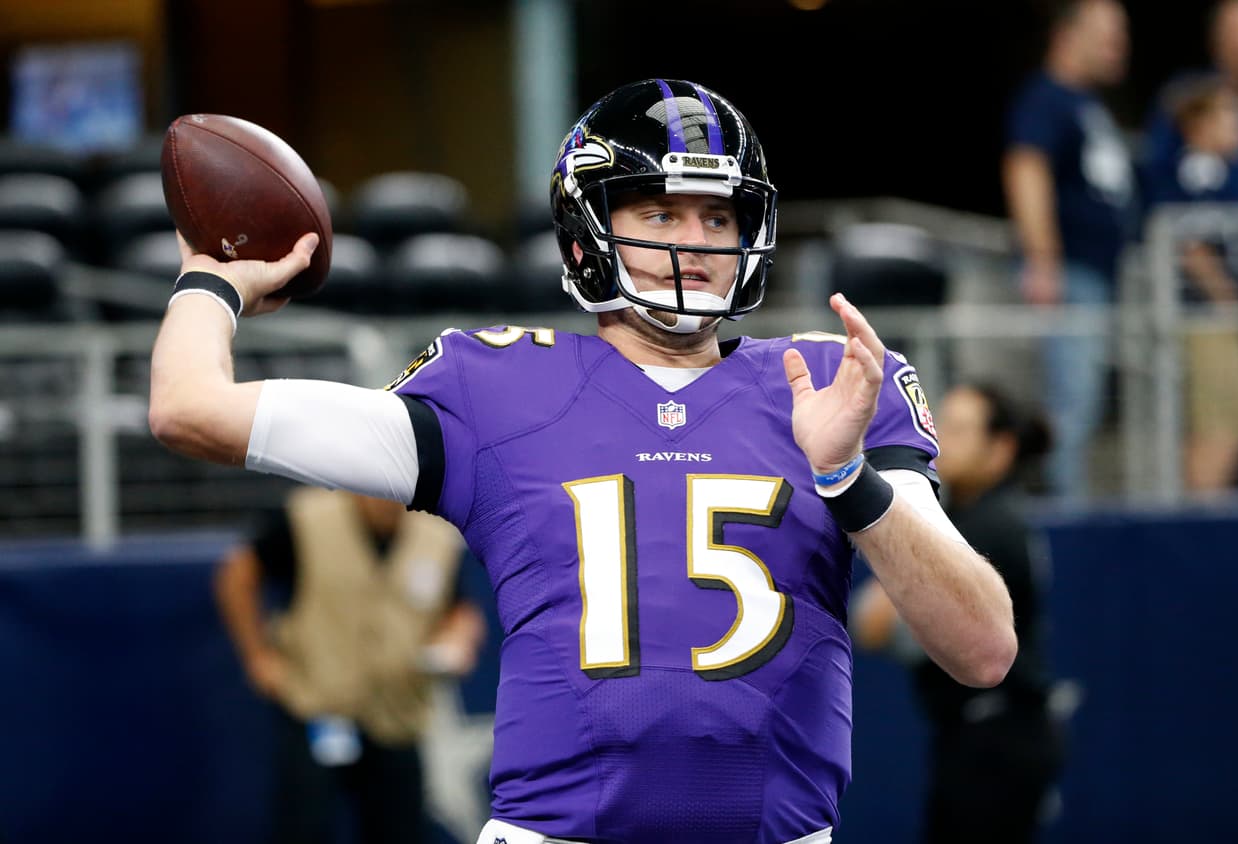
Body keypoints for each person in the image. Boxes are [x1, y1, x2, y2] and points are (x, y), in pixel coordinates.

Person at [150, 78, 1017, 844]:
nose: (700, 242)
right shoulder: (496, 386)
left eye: (719, 215)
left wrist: (846, 478)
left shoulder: (830, 381)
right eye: (660, 212)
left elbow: (983, 648)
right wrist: (212, 281)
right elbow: (191, 410)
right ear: (583, 238)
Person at [851, 382, 1064, 844]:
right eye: (941, 423)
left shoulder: (989, 526)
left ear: (1000, 448)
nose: (943, 441)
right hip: (979, 734)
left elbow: (877, 624)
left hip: (997, 739)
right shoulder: (968, 518)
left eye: (962, 429)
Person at [214, 488, 485, 844]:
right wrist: (257, 656)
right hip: (318, 705)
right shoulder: (308, 518)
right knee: (306, 828)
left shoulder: (434, 533)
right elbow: (237, 575)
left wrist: (457, 639)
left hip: (397, 713)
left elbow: (459, 609)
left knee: (399, 830)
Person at [1002, 0, 1135, 501]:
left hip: (1092, 275)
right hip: (1069, 274)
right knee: (1071, 403)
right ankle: (1060, 515)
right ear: (1067, 34)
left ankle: (1063, 501)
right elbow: (1026, 169)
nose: (1118, 46)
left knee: (1081, 401)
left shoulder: (1089, 104)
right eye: (1107, 33)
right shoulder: (1047, 98)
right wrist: (1043, 258)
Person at [1144, 0, 1238, 487]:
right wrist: (1229, 304)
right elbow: (1192, 244)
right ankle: (1199, 521)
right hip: (1210, 315)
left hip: (1227, 313)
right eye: (1227, 117)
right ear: (1200, 126)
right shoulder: (1198, 167)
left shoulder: (1216, 169)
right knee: (1220, 424)